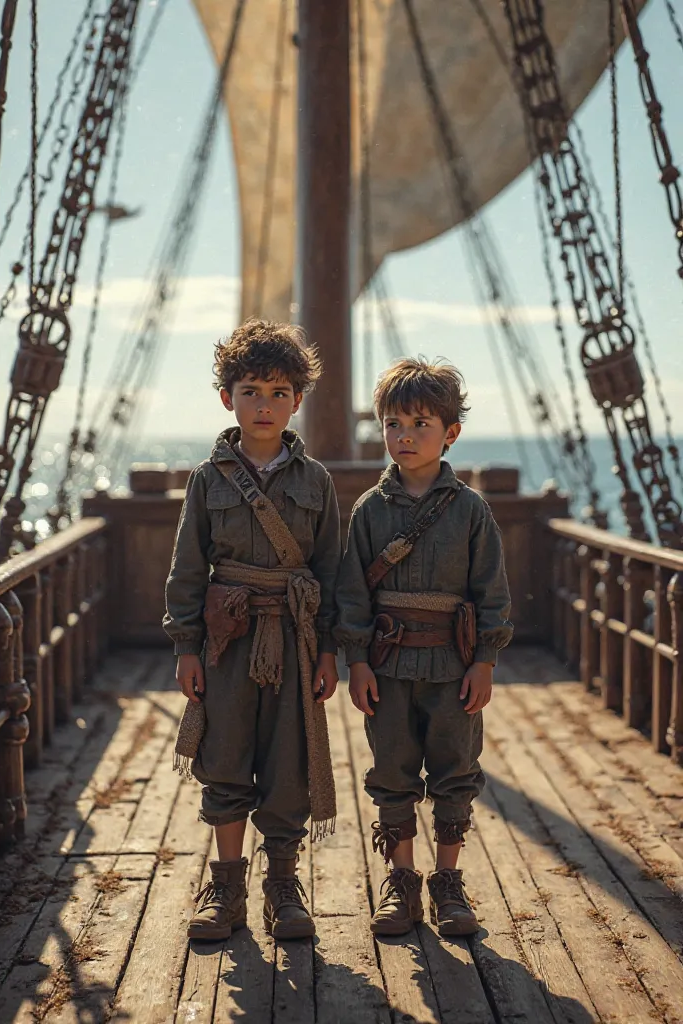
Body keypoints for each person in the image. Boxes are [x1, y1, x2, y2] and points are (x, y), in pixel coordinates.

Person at [164, 318, 341, 942]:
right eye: (249, 391)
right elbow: (188, 568)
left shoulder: (315, 481)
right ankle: (228, 887)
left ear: (297, 400)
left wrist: (328, 656)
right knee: (226, 756)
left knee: (288, 763)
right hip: (227, 641)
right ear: (226, 398)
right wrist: (187, 647)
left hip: (294, 641)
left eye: (277, 392)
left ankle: (284, 889)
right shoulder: (208, 480)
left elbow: (329, 571)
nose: (263, 405)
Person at [335, 357, 512, 937]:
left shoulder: (470, 511)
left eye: (420, 424)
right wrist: (356, 660)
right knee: (392, 770)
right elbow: (353, 594)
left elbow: (492, 592)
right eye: (393, 424)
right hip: (386, 667)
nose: (404, 437)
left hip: (452, 664)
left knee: (456, 770)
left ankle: (449, 885)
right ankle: (402, 884)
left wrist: (484, 660)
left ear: (451, 433)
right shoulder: (368, 511)